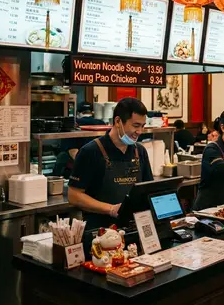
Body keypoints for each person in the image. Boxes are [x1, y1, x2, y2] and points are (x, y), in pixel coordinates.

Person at [68, 98, 153, 230]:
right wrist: (111, 209)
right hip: (100, 234)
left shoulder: (140, 151)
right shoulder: (90, 151)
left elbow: (149, 189)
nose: (140, 131)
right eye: (136, 126)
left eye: (143, 126)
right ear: (118, 121)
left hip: (133, 230)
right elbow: (74, 195)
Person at [53, 102, 106, 178]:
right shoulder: (102, 124)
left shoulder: (73, 125)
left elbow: (73, 151)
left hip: (79, 171)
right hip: (99, 169)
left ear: (78, 113)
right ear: (92, 113)